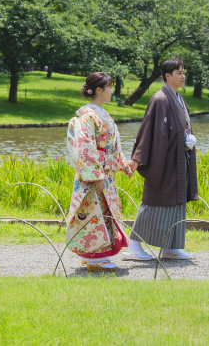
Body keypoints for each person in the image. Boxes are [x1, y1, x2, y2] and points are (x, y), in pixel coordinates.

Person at [125, 57, 198, 260]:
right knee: (155, 200)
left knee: (177, 201)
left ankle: (170, 247)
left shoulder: (179, 98)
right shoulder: (160, 99)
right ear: (168, 76)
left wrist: (187, 140)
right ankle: (134, 244)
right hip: (163, 161)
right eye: (179, 73)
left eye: (184, 72)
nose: (183, 76)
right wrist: (137, 159)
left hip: (178, 159)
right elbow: (149, 131)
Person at [65, 72, 135, 272]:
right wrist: (96, 176)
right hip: (94, 177)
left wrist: (123, 164)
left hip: (105, 175)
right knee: (95, 214)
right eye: (110, 88)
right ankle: (95, 257)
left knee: (105, 213)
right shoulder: (89, 117)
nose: (112, 91)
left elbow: (112, 146)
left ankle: (96, 256)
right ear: (99, 90)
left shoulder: (101, 115)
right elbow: (86, 147)